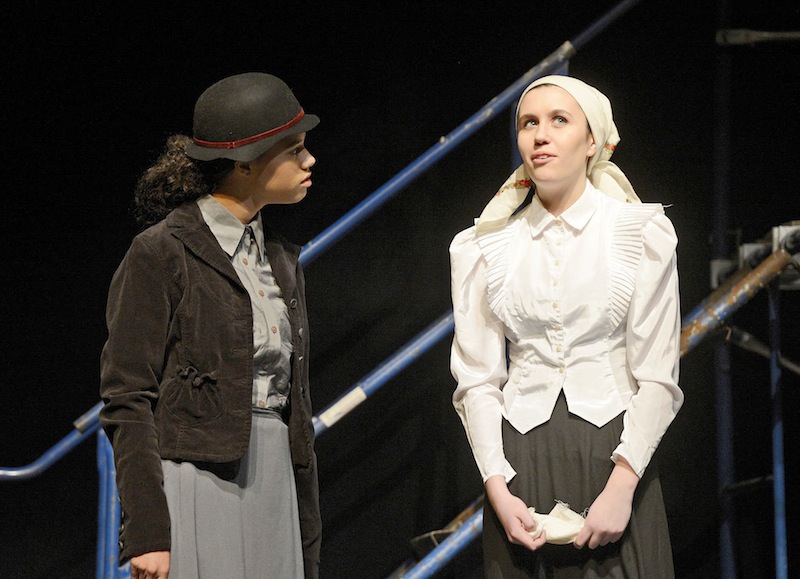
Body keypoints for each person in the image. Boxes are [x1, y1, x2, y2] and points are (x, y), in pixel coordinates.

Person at [449, 74, 683, 577]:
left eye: (559, 120)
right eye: (528, 123)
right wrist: (497, 486)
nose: (540, 135)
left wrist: (622, 489)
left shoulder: (638, 232)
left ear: (593, 140)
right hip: (521, 456)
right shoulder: (483, 245)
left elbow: (659, 376)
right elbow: (477, 379)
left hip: (615, 452)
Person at [100, 72, 321, 579]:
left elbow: (296, 407)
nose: (309, 161)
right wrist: (148, 531)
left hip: (275, 482)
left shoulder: (283, 261)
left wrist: (306, 529)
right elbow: (127, 396)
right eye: (294, 149)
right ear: (245, 163)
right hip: (196, 481)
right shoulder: (162, 252)